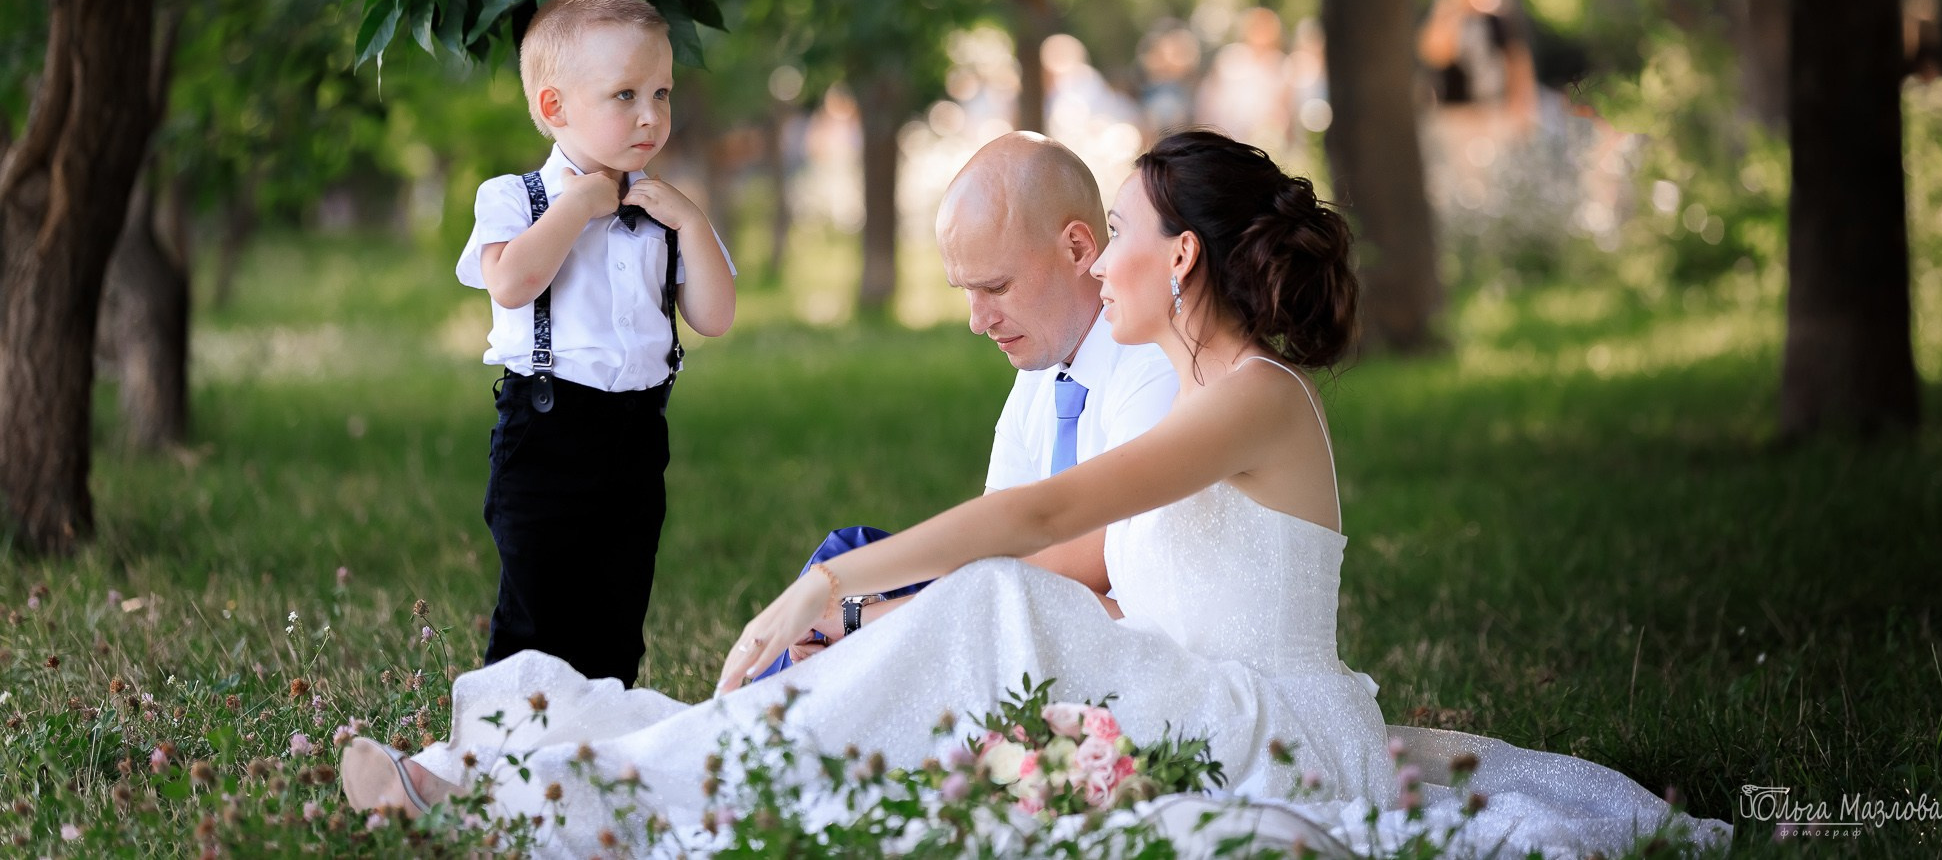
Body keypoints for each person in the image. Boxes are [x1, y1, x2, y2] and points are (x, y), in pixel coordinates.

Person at [344, 131, 1729, 860]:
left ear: (1178, 257)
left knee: (990, 600)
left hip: (1261, 719)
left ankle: (551, 791)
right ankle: (586, 780)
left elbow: (1035, 533)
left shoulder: (1250, 397)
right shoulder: (1188, 381)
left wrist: (838, 578)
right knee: (950, 654)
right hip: (1179, 692)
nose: (1103, 254)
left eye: (1119, 234)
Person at [766, 132, 1179, 671]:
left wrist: (873, 617)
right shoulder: (1043, 370)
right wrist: (861, 603)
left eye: (997, 287)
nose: (977, 321)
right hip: (1022, 601)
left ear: (1078, 249)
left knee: (860, 609)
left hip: (1102, 628)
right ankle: (777, 705)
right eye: (966, 291)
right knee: (848, 555)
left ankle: (771, 721)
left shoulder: (1153, 363)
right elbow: (994, 534)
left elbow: (1094, 563)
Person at [457, 0, 737, 688]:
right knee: (538, 603)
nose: (652, 114)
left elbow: (715, 314)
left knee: (618, 602)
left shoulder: (664, 208)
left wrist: (694, 225)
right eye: (626, 95)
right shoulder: (514, 198)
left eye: (663, 92)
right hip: (545, 428)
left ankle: (602, 735)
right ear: (556, 108)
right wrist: (577, 204)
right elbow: (512, 282)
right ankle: (507, 741)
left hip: (637, 435)